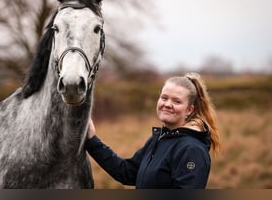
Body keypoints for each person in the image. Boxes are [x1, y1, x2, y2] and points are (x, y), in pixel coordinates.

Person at [85, 72, 221, 189]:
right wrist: (91, 140)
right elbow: (126, 172)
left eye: (177, 101)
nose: (167, 104)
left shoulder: (192, 149)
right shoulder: (159, 139)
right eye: (164, 98)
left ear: (189, 110)